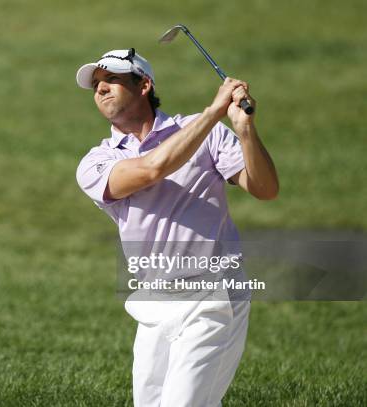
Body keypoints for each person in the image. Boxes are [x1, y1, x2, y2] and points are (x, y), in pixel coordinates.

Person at [75, 48, 279, 407]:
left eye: (113, 80)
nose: (101, 89)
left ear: (145, 85)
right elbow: (151, 170)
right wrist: (214, 113)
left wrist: (245, 131)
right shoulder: (98, 160)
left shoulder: (208, 134)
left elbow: (265, 189)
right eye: (96, 85)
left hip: (213, 294)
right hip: (153, 301)